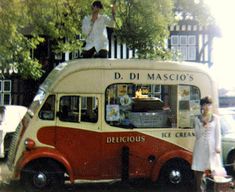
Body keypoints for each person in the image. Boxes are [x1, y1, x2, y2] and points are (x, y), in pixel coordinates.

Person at [191, 96, 223, 192]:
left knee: (216, 172)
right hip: (200, 147)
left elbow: (218, 134)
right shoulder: (197, 119)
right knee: (199, 172)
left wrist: (218, 146)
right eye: (205, 104)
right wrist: (203, 125)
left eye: (209, 104)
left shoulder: (216, 118)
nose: (207, 107)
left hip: (212, 148)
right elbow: (197, 135)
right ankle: (199, 189)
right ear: (201, 106)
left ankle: (216, 190)